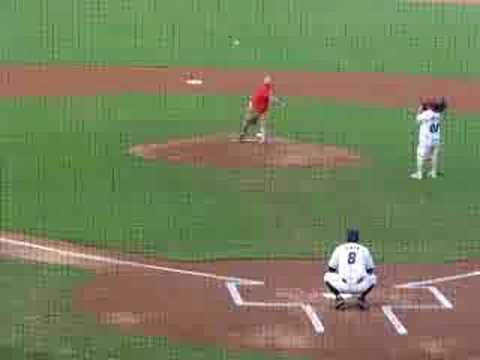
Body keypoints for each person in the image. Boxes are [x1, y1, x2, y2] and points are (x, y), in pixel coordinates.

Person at [323, 229, 377, 310]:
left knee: (326, 276)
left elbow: (331, 268)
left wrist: (341, 273)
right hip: (360, 287)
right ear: (357, 238)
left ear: (347, 238)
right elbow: (370, 270)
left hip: (342, 286)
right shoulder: (364, 249)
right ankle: (361, 298)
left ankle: (338, 297)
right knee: (373, 278)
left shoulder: (339, 248)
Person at [410, 97, 447, 180]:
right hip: (436, 139)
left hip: (426, 140)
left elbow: (417, 120)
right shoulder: (438, 114)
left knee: (420, 155)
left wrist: (420, 110)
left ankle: (419, 174)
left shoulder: (427, 114)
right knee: (434, 155)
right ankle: (433, 173)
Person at [239, 75, 278, 143]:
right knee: (250, 121)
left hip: (260, 109)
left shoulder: (264, 89)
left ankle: (261, 137)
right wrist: (277, 102)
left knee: (260, 122)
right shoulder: (266, 90)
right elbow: (270, 98)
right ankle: (244, 134)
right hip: (257, 109)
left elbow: (267, 98)